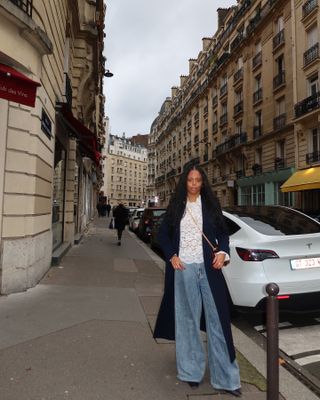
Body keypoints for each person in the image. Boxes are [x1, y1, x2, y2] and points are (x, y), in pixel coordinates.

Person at [153, 164, 241, 397]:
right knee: (187, 321)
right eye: (190, 180)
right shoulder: (176, 206)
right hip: (183, 269)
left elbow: (222, 233)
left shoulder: (211, 205)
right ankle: (191, 372)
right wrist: (172, 255)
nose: (193, 184)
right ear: (185, 182)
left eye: (197, 180)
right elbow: (162, 234)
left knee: (218, 322)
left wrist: (223, 252)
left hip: (209, 269)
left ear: (203, 182)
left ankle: (227, 379)